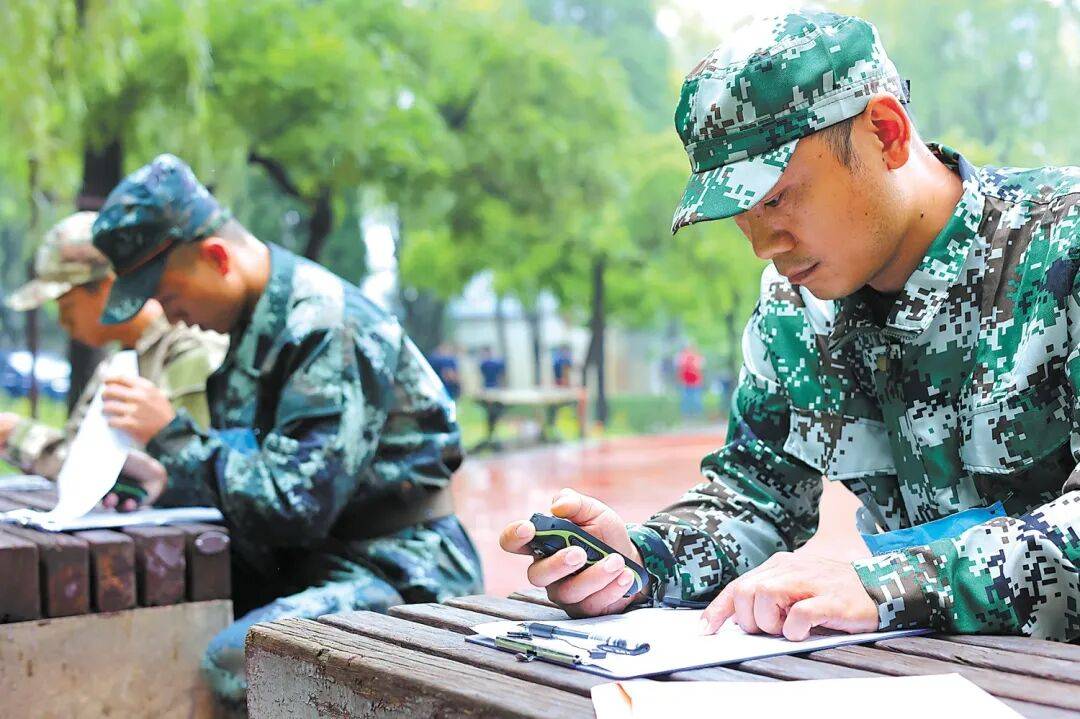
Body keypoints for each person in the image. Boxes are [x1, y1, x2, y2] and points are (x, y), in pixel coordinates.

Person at [500, 11, 1079, 643]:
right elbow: (756, 495)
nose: (762, 244)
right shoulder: (795, 304)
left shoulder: (1063, 249)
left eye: (775, 197)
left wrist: (890, 584)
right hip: (932, 678)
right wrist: (641, 562)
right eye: (738, 212)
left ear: (886, 133)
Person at [90, 154, 483, 708]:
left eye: (169, 297)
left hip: (399, 571)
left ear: (217, 257)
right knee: (151, 610)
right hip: (315, 557)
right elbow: (257, 462)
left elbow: (296, 505)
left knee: (238, 658)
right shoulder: (255, 324)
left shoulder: (326, 326)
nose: (171, 316)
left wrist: (172, 436)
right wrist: (163, 479)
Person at [0, 212, 226, 505]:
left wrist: (18, 436)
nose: (62, 321)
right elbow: (81, 457)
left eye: (66, 304)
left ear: (108, 286)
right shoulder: (120, 362)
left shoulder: (189, 350)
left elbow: (177, 473)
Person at [675, 343, 705, 417]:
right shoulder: (682, 357)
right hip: (686, 382)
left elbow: (700, 368)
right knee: (686, 398)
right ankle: (686, 414)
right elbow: (679, 368)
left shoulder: (697, 357)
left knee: (696, 398)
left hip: (695, 382)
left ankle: (697, 413)